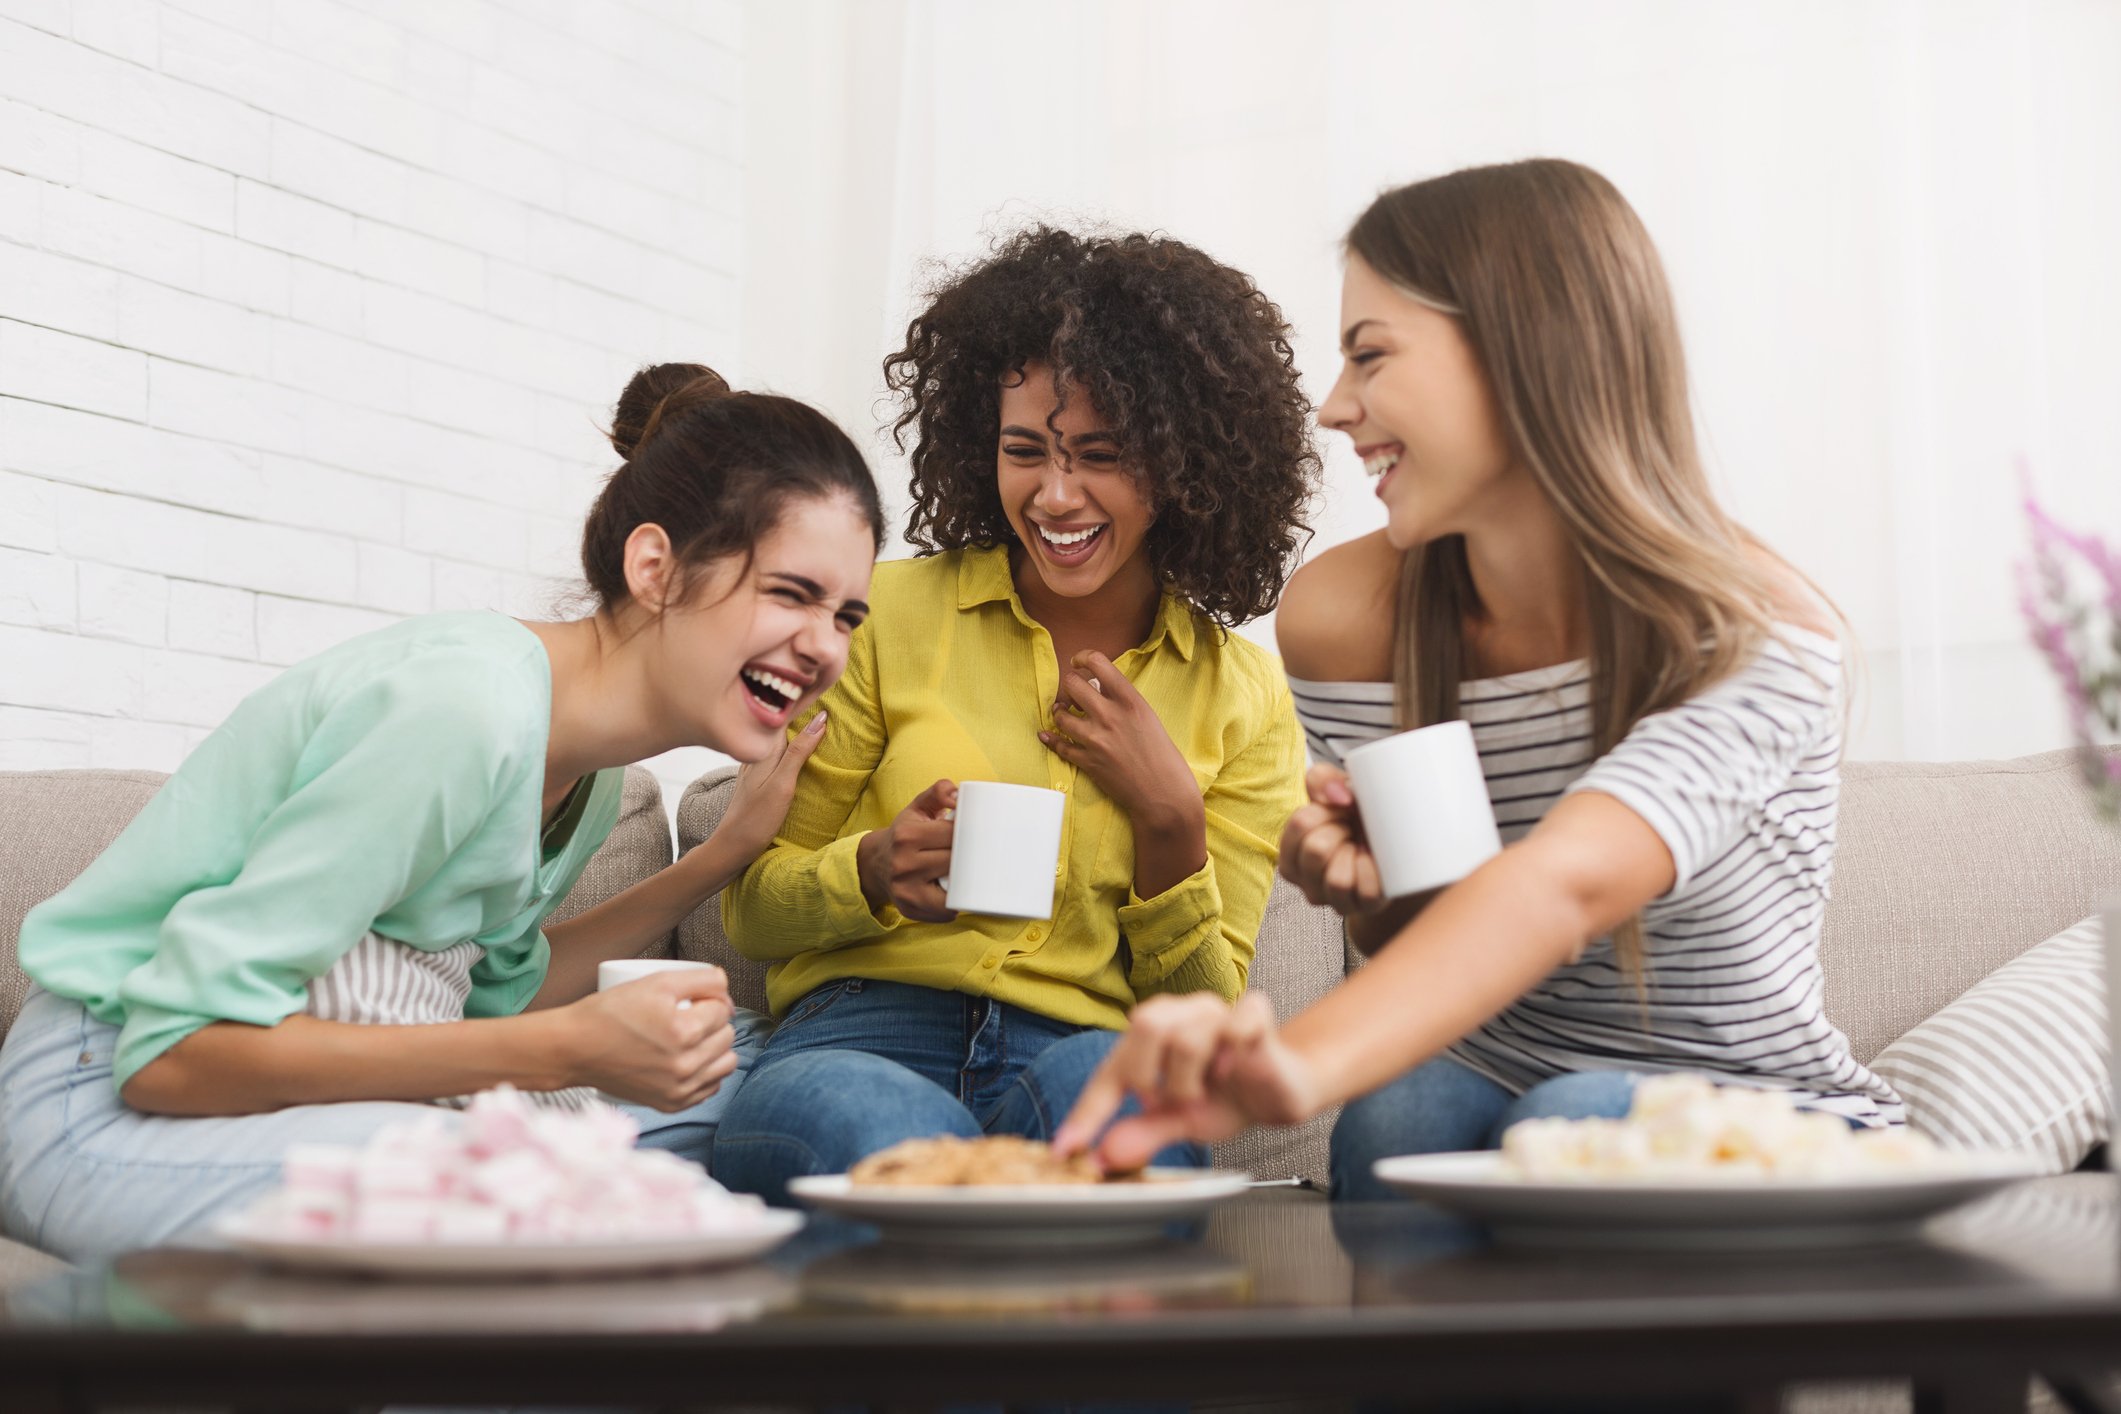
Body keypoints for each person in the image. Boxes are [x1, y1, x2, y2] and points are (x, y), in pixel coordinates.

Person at [1055, 160, 1903, 1199]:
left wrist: (1286, 1066)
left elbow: (1562, 886)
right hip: (1493, 1071)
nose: (1333, 407)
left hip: (1758, 1111)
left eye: (1370, 355)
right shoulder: (1348, 622)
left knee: (1565, 1122)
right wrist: (1365, 892)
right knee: (1401, 1115)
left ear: (1522, 350)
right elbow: (1428, 936)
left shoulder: (1748, 633)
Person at [0, 364, 884, 1259]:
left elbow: (496, 1009)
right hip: (101, 1098)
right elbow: (172, 1057)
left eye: (848, 615)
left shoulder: (590, 778)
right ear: (655, 567)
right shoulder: (463, 707)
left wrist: (723, 854)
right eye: (790, 593)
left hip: (283, 1096)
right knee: (559, 1209)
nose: (824, 647)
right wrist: (565, 1052)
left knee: (743, 1107)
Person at [712, 226, 1319, 1205]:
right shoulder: (883, 615)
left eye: (1101, 456)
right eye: (1025, 451)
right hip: (866, 1029)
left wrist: (1173, 824)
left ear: (1180, 464)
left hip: (1090, 1046)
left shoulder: (1243, 693)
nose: (1056, 493)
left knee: (1122, 1151)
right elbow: (752, 906)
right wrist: (868, 870)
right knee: (881, 1143)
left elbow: (1204, 1015)